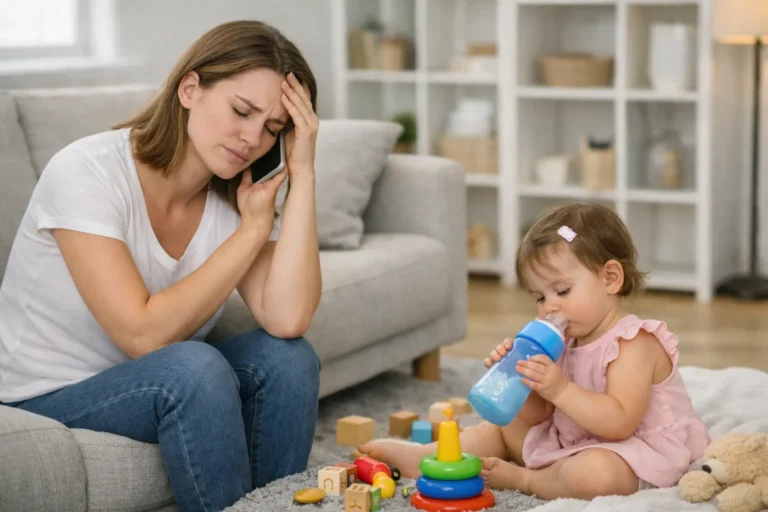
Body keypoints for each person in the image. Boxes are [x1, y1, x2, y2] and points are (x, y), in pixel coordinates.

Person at [0, 20, 322, 511]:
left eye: (273, 129)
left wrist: (303, 172)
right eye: (241, 111)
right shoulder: (86, 171)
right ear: (190, 88)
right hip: (45, 396)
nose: (252, 139)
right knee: (193, 367)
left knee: (287, 358)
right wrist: (252, 233)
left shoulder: (236, 197)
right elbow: (143, 335)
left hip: (147, 380)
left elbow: (288, 318)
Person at [358, 203, 711, 500]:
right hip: (575, 438)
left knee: (595, 473)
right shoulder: (565, 340)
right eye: (540, 297)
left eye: (561, 290)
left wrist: (560, 388)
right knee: (504, 424)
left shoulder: (634, 343)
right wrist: (518, 378)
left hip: (634, 450)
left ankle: (530, 480)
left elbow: (619, 423)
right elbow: (540, 414)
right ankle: (432, 456)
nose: (549, 308)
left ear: (610, 278)